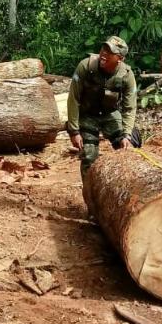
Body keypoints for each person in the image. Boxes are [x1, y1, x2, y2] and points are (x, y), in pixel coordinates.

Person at [65, 36, 138, 212]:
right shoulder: (86, 66)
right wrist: (74, 131)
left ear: (119, 58)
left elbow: (130, 108)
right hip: (87, 115)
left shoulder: (126, 75)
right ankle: (92, 204)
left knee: (129, 147)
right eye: (103, 49)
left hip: (109, 115)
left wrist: (127, 134)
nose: (104, 54)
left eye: (109, 52)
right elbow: (73, 99)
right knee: (89, 156)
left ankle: (126, 195)